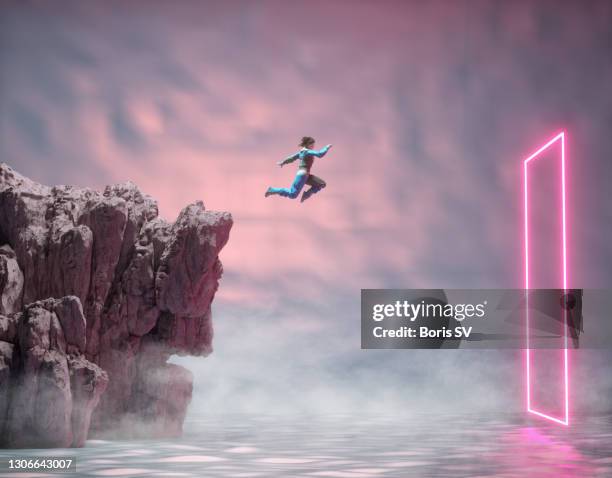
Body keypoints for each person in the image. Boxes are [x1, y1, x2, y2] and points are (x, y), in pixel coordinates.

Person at [265, 136, 333, 203]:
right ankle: (273, 190)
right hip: (303, 175)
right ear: (308, 145)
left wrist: (283, 162)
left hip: (306, 175)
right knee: (292, 194)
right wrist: (326, 147)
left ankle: (307, 194)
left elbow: (291, 158)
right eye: (312, 145)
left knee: (321, 184)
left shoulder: (301, 152)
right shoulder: (307, 152)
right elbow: (320, 154)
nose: (313, 146)